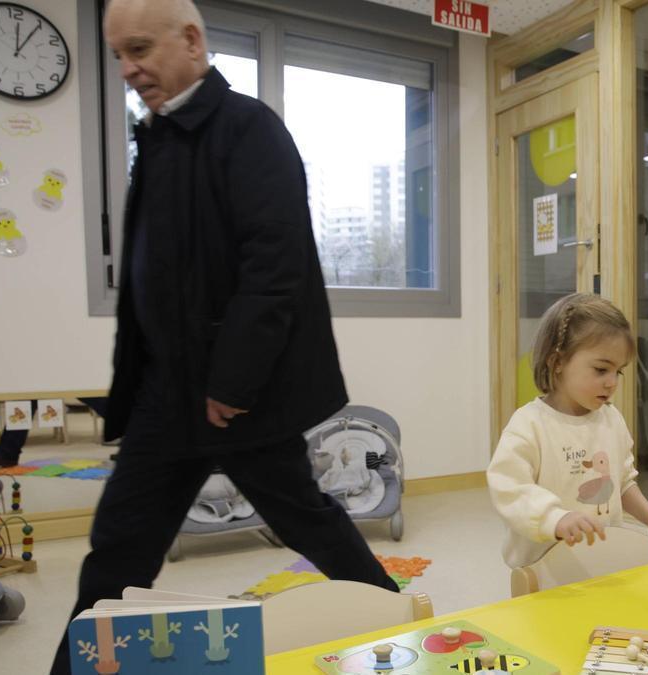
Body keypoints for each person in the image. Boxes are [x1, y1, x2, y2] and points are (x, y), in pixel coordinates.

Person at [50, 1, 395, 672]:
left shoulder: (248, 129)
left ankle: (400, 623)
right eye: (119, 54)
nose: (128, 69)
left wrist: (232, 382)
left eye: (140, 49)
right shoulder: (159, 136)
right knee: (118, 545)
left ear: (190, 40)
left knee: (307, 521)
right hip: (164, 396)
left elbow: (276, 266)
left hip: (235, 395)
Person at [488, 293, 648, 569]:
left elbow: (624, 483)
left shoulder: (611, 420)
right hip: (540, 570)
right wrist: (554, 518)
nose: (611, 383)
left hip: (600, 561)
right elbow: (509, 488)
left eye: (619, 372)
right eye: (601, 369)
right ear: (557, 362)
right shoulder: (529, 424)